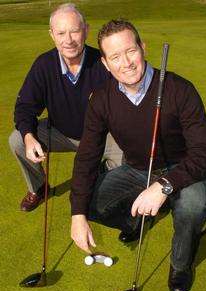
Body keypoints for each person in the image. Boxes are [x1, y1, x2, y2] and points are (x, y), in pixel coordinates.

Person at [70, 19, 206, 291]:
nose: (125, 62)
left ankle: (181, 264)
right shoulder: (102, 99)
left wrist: (163, 186)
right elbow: (87, 156)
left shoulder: (179, 89)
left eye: (130, 51)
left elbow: (205, 152)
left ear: (143, 48)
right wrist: (77, 214)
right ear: (105, 63)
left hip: (184, 168)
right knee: (86, 201)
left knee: (193, 206)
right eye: (115, 56)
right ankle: (136, 219)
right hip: (138, 169)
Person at [9, 4, 123, 212]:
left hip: (101, 135)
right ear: (52, 34)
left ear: (86, 30)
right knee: (17, 138)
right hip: (60, 132)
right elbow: (25, 106)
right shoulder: (44, 64)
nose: (68, 40)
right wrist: (28, 136)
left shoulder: (103, 63)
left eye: (74, 31)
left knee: (125, 159)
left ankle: (103, 180)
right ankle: (39, 187)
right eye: (61, 32)